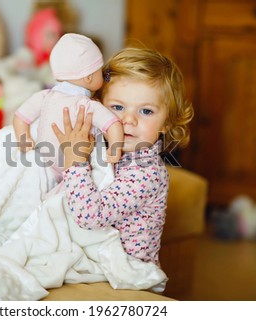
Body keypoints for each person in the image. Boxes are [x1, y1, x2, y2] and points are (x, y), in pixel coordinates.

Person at [52, 47, 194, 266]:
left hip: (126, 270)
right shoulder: (102, 145)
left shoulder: (146, 173)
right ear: (98, 107)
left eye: (146, 111)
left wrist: (76, 159)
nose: (129, 120)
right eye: (117, 107)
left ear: (166, 123)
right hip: (93, 255)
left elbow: (90, 217)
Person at [13, 33, 124, 181]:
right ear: (89, 77)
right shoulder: (87, 105)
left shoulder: (45, 96)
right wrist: (114, 150)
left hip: (44, 164)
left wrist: (24, 140)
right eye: (100, 72)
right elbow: (114, 125)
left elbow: (20, 117)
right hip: (76, 167)